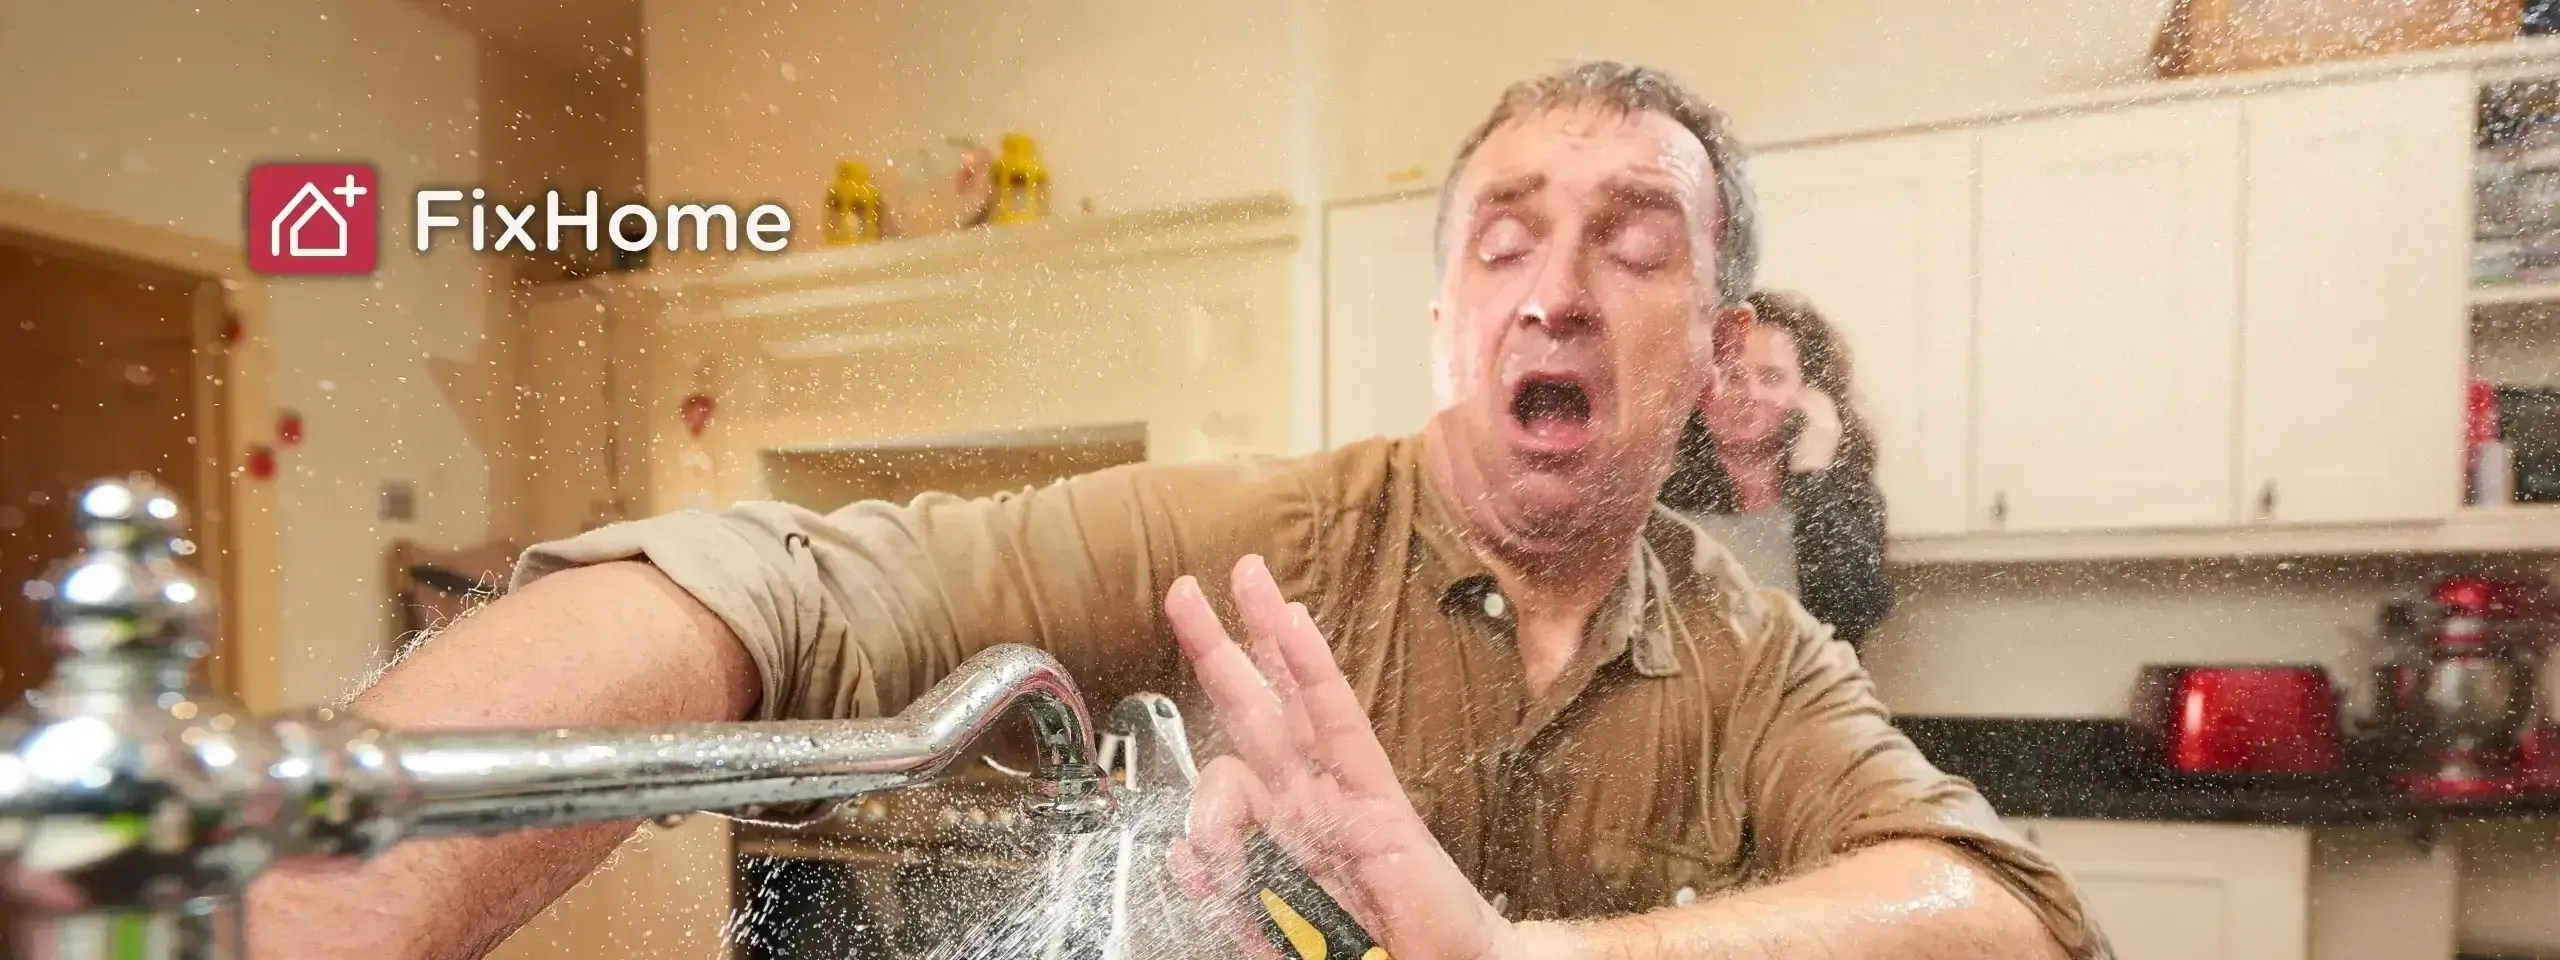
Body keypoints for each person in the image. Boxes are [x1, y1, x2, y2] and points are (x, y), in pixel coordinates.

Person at [222, 61, 2111, 959]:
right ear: (1443, 324)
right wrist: (344, 870)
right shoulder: (1261, 539)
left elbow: (2014, 916)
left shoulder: (1754, 659)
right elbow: (795, 588)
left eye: (1632, 248)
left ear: (1711, 349)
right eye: (1503, 243)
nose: (1554, 291)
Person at [1659, 288, 1893, 648]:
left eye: (1771, 377)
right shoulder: (1666, 494)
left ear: (1810, 392)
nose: (1750, 394)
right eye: (1732, 377)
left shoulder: (1844, 493)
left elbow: (1857, 609)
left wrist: (1811, 475)